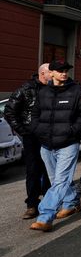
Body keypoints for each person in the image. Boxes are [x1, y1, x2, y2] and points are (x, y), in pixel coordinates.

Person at [29, 60, 81, 232]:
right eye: (60, 70)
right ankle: (71, 203)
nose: (64, 73)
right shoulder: (43, 91)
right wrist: (37, 130)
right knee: (58, 181)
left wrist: (71, 131)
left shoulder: (78, 91)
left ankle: (45, 217)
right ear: (52, 73)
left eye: (66, 70)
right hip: (46, 144)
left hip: (68, 144)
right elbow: (35, 114)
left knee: (59, 181)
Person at [4, 63, 52, 219]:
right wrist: (24, 131)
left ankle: (49, 199)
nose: (54, 75)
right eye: (51, 72)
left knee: (49, 168)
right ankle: (32, 204)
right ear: (43, 73)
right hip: (32, 136)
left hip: (50, 135)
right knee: (33, 170)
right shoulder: (25, 89)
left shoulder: (54, 88)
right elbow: (9, 112)